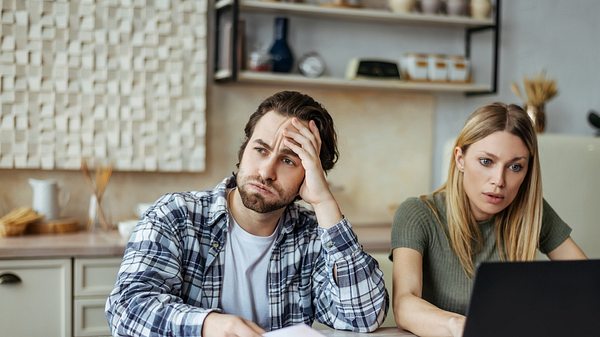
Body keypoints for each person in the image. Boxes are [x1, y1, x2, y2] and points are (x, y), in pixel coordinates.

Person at [106, 91, 389, 337]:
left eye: (289, 160)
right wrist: (207, 325)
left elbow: (363, 316)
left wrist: (325, 201)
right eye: (260, 150)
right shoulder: (176, 215)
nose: (266, 171)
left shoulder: (314, 235)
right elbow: (126, 309)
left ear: (310, 175)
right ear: (244, 150)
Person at [390, 103, 587, 337]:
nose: (499, 180)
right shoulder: (417, 213)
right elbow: (404, 305)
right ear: (460, 158)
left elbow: (589, 285)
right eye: (486, 161)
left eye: (515, 167)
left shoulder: (532, 213)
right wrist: (463, 327)